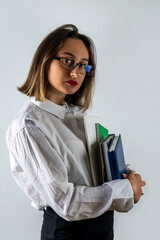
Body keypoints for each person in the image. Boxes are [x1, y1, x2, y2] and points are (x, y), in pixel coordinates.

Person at [6, 24, 146, 240]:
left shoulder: (75, 115)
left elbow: (87, 173)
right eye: (67, 60)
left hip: (101, 225)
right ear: (44, 60)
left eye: (83, 65)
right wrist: (124, 190)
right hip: (69, 232)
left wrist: (126, 175)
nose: (76, 72)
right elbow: (66, 202)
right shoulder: (29, 126)